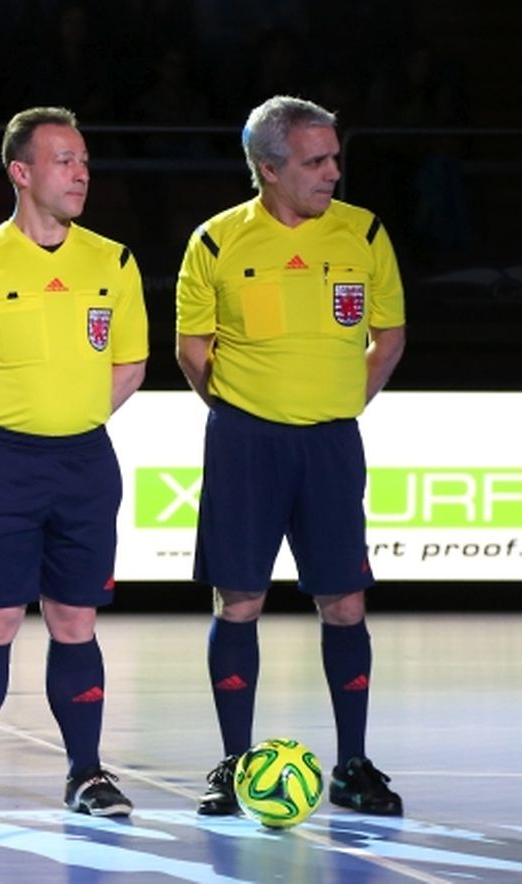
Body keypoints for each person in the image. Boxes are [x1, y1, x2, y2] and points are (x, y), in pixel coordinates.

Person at [176, 95, 406, 817]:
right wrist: (250, 409)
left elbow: (388, 336)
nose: (334, 171)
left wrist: (340, 402)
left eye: (335, 156)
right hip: (246, 442)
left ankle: (353, 765)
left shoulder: (364, 234)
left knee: (345, 601)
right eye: (316, 161)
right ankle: (236, 764)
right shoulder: (215, 243)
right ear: (268, 170)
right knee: (239, 599)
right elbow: (192, 351)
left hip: (332, 443)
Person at [0, 107, 149, 820]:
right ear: (21, 173)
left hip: (85, 463)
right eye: (64, 160)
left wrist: (70, 418)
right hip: (4, 465)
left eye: (83, 160)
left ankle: (86, 774)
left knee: (76, 621)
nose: (81, 173)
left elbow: (130, 363)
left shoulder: (112, 260)